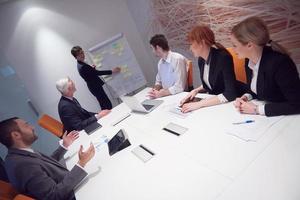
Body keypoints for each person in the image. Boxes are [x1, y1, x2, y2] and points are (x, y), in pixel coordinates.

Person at [0, 117, 95, 200]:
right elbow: (54, 195)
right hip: (74, 194)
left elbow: (44, 164)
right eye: (26, 125)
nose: (32, 127)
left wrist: (64, 146)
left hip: (70, 184)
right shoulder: (21, 166)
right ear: (16, 135)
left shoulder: (19, 154)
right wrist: (81, 163)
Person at [231, 17, 300, 116]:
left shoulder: (280, 63)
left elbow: (296, 104)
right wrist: (246, 97)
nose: (233, 49)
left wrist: (257, 109)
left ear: (250, 45)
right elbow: (258, 89)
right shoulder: (248, 60)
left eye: (234, 45)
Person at [180, 26, 238, 113]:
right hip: (213, 103)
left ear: (202, 43)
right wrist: (195, 90)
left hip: (228, 105)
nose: (190, 48)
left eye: (191, 44)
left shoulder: (223, 57)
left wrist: (199, 104)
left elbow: (230, 93)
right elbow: (210, 83)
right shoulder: (201, 60)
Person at [148, 34, 187, 99]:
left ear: (157, 48)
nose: (152, 51)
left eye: (152, 48)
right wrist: (154, 90)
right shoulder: (160, 63)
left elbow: (179, 87)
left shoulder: (177, 59)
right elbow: (158, 81)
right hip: (167, 96)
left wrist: (161, 93)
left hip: (179, 96)